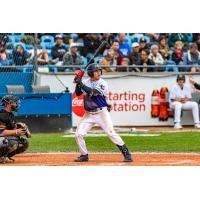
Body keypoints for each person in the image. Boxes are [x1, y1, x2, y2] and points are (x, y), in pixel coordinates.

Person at [73, 63, 132, 162]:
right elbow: (78, 93)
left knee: (111, 133)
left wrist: (81, 83)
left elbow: (93, 93)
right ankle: (84, 155)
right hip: (89, 114)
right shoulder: (86, 81)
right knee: (79, 134)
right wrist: (78, 82)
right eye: (96, 71)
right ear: (91, 73)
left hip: (101, 113)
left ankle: (127, 153)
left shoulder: (103, 83)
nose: (99, 72)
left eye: (99, 70)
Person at [0, 95, 29, 163]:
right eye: (15, 103)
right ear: (8, 104)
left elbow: (12, 130)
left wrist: (21, 129)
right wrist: (16, 131)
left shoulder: (10, 115)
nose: (17, 104)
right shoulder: (1, 115)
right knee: (10, 142)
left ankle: (4, 156)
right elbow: (1, 132)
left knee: (23, 143)